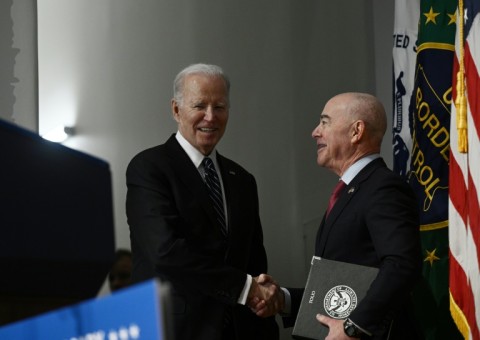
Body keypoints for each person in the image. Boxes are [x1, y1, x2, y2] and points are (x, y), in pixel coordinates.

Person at [126, 63, 281, 340]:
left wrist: (261, 298)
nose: (210, 117)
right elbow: (165, 251)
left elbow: (254, 261)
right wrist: (245, 288)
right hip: (175, 330)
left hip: (240, 331)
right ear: (176, 110)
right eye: (199, 106)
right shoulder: (149, 168)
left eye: (220, 107)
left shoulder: (243, 180)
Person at [255, 92, 423, 339]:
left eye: (325, 122)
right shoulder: (351, 192)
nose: (315, 132)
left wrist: (354, 327)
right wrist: (283, 299)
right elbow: (340, 291)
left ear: (356, 132)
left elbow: (402, 265)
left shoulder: (383, 188)